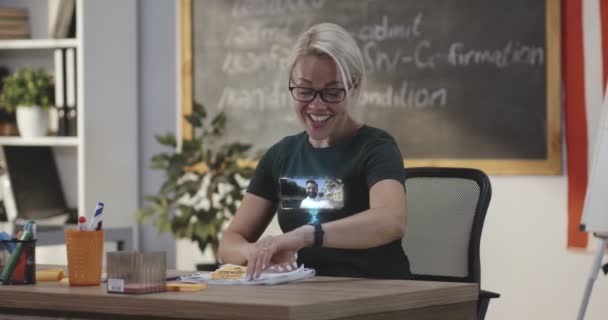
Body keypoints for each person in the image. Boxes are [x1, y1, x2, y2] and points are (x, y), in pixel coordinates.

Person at [218, 22, 410, 280]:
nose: (317, 105)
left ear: (354, 87)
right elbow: (230, 241)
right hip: (306, 296)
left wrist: (305, 235)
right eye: (305, 91)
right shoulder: (281, 155)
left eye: (332, 92)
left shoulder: (376, 147)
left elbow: (391, 220)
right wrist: (255, 252)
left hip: (377, 297)